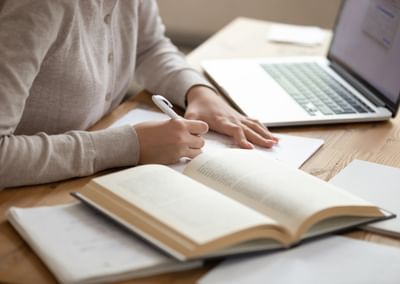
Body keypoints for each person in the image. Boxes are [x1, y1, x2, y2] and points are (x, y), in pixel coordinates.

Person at [0, 0, 277, 189]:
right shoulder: (35, 7)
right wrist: (127, 146)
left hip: (78, 179)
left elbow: (149, 47)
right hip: (23, 196)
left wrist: (198, 91)